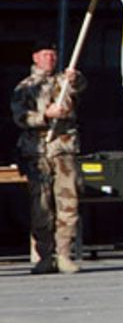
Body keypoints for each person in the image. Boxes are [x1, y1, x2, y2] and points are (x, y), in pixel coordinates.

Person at [11, 40, 87, 275]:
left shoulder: (64, 81)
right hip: (38, 151)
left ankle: (64, 253)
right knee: (41, 205)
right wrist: (45, 115)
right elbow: (20, 117)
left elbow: (79, 86)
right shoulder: (25, 87)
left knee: (68, 203)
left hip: (64, 149)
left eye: (53, 55)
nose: (50, 59)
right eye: (45, 55)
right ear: (35, 57)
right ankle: (44, 255)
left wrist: (74, 79)